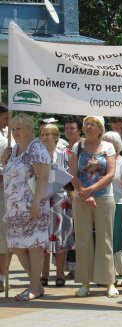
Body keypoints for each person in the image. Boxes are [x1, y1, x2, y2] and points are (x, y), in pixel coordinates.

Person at [2, 113, 51, 300]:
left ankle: (33, 287)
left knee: (33, 245)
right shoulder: (13, 149)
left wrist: (36, 203)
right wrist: (4, 160)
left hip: (32, 205)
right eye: (13, 129)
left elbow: (43, 177)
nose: (15, 133)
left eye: (19, 129)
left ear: (30, 129)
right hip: (14, 207)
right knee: (17, 245)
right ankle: (36, 285)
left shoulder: (36, 148)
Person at [69, 115, 118, 298]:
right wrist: (84, 193)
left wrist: (92, 190)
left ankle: (109, 282)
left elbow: (111, 174)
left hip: (104, 197)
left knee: (106, 239)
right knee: (83, 239)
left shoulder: (108, 147)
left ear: (100, 129)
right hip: (81, 197)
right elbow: (71, 173)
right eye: (86, 124)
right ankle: (84, 283)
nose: (88, 127)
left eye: (92, 124)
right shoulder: (78, 146)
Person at [40, 124, 74, 287]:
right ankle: (44, 274)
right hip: (41, 200)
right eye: (42, 134)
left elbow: (71, 176)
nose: (45, 137)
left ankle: (60, 274)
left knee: (61, 238)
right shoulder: (37, 155)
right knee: (43, 238)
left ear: (56, 137)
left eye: (48, 134)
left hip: (61, 200)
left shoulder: (65, 154)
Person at [102, 131, 122, 287]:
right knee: (106, 240)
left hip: (120, 204)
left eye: (111, 142)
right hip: (104, 203)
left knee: (120, 241)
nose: (108, 144)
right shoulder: (101, 161)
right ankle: (108, 275)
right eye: (105, 141)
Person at [63, 116, 83, 280]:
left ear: (79, 130)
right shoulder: (62, 147)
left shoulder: (83, 146)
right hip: (64, 194)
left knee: (81, 231)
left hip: (81, 192)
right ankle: (72, 266)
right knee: (69, 231)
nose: (69, 131)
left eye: (72, 128)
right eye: (67, 128)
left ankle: (83, 266)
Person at [0, 104, 12, 293]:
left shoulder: (6, 135)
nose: (7, 121)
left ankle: (2, 276)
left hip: (5, 190)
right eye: (5, 117)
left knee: (4, 235)